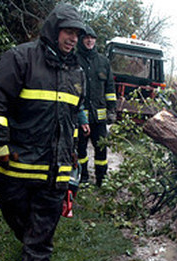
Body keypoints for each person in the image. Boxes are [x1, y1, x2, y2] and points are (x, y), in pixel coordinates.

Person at [0, 3, 86, 261]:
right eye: (68, 32)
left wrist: (71, 158)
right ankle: (32, 251)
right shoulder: (20, 58)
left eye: (77, 33)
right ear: (53, 30)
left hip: (55, 167)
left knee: (47, 217)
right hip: (18, 162)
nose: (72, 38)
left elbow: (71, 119)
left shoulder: (77, 73)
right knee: (19, 215)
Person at [76, 25, 117, 187]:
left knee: (101, 149)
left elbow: (110, 87)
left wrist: (112, 109)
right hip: (80, 117)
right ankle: (82, 177)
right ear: (81, 39)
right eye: (86, 37)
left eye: (92, 38)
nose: (89, 40)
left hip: (99, 118)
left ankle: (101, 179)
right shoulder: (74, 59)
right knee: (80, 150)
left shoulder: (103, 62)